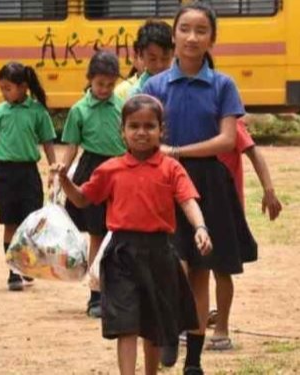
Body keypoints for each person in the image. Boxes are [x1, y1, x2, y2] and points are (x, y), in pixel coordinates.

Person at [58, 94, 210, 375]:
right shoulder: (110, 169)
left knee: (152, 326)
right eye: (134, 126)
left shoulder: (171, 167)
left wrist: (200, 227)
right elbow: (81, 199)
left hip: (160, 253)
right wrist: (65, 181)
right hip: (121, 255)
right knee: (125, 324)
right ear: (123, 131)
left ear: (161, 130)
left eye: (150, 126)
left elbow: (188, 199)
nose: (142, 132)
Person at [143, 3, 258, 373]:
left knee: (200, 272)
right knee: (169, 265)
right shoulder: (154, 85)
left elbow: (227, 140)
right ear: (174, 34)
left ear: (212, 38)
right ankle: (169, 331)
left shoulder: (223, 85)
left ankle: (193, 360)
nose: (192, 37)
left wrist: (176, 150)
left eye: (201, 31)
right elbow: (140, 135)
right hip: (162, 181)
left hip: (208, 183)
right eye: (185, 29)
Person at [0, 62, 57, 292]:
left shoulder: (37, 111)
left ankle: (26, 263)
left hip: (28, 172)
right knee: (10, 223)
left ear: (23, 87)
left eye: (8, 88)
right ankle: (13, 271)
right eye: (2, 89)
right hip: (4, 173)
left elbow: (47, 141)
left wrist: (54, 168)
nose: (4, 93)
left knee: (30, 223)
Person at [205, 117, 283, 350]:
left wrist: (269, 190)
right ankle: (194, 322)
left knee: (221, 268)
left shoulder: (228, 124)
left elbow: (254, 154)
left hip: (224, 206)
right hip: (193, 201)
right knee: (190, 267)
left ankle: (222, 330)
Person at [61, 51, 126, 317]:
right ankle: (96, 295)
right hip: (93, 171)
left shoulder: (122, 106)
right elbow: (72, 146)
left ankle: (121, 293)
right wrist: (61, 173)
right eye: (100, 84)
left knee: (122, 231)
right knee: (97, 233)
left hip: (121, 170)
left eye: (110, 85)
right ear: (90, 80)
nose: (105, 90)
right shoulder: (79, 109)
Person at [128, 20, 174, 97]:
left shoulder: (181, 82)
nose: (159, 65)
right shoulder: (138, 93)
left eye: (165, 58)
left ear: (173, 53)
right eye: (152, 59)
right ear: (140, 54)